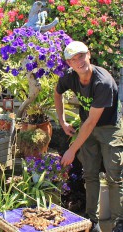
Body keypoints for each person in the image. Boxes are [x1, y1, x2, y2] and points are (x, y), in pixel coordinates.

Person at [54, 41, 123, 232]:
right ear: (69, 63)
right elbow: (57, 93)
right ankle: (92, 222)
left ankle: (119, 223)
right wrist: (62, 121)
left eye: (81, 56)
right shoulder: (70, 76)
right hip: (87, 127)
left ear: (89, 55)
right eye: (73, 59)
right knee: (90, 173)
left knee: (114, 174)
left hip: (109, 126)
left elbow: (93, 122)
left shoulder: (103, 82)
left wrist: (72, 150)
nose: (79, 61)